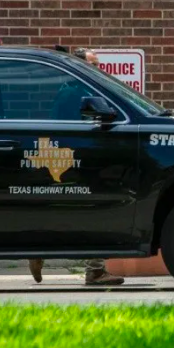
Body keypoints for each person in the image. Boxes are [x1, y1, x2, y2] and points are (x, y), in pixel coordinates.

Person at [30, 46, 125, 287]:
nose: (97, 69)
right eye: (92, 65)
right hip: (78, 161)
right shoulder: (76, 92)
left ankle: (38, 247)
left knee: (71, 211)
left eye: (97, 65)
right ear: (80, 65)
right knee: (94, 211)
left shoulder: (73, 90)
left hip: (75, 159)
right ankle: (94, 270)